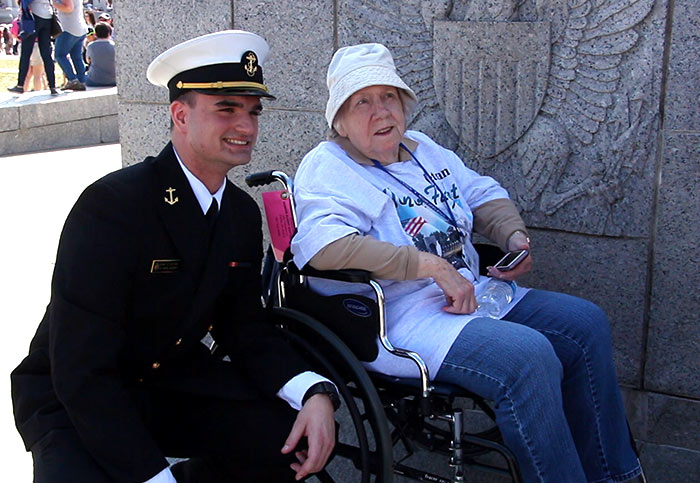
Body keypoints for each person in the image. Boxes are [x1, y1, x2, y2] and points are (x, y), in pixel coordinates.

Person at [290, 43, 645, 483]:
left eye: (389, 97)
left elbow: (481, 193)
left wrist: (512, 234)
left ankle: (617, 475)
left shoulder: (424, 150)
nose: (381, 111)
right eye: (362, 101)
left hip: (471, 292)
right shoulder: (329, 166)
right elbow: (325, 247)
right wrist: (430, 267)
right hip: (401, 318)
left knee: (585, 323)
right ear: (339, 120)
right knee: (528, 358)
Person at [11, 30, 338, 483]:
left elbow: (243, 325)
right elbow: (79, 368)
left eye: (253, 111)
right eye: (226, 109)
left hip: (167, 382)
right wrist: (150, 476)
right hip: (77, 397)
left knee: (285, 436)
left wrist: (313, 391)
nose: (246, 126)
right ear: (180, 115)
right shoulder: (113, 207)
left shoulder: (240, 213)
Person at [7, 0, 58, 95]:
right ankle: (52, 86)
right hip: (47, 16)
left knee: (26, 53)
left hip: (33, 16)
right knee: (46, 54)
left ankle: (20, 85)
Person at [54, 0, 88, 91]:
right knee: (76, 57)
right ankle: (82, 80)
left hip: (68, 28)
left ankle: (72, 79)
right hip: (80, 28)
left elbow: (69, 8)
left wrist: (53, 3)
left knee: (59, 55)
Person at [84, 20, 114, 86]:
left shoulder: (90, 46)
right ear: (109, 33)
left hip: (94, 80)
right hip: (113, 80)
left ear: (96, 34)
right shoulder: (114, 46)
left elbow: (88, 61)